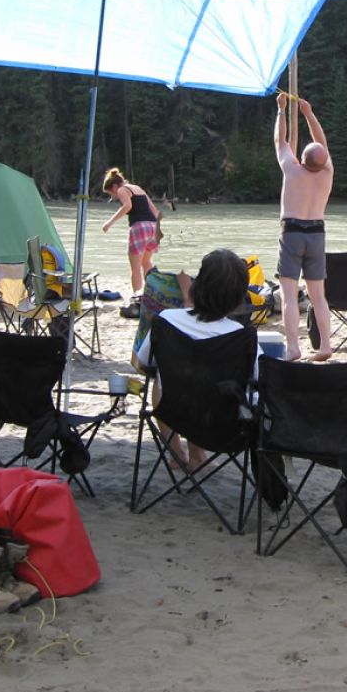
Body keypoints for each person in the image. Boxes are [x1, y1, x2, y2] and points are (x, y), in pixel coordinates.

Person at [135, 249, 250, 469]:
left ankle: (175, 451)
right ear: (238, 297)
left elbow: (144, 361)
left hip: (172, 408)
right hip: (220, 421)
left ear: (199, 284)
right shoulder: (239, 334)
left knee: (161, 378)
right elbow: (254, 377)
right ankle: (198, 454)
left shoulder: (166, 320)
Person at [274, 92, 333, 361]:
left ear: (302, 159)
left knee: (288, 294)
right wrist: (309, 114)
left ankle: (294, 347)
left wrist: (282, 111)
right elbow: (321, 141)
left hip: (293, 232)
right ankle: (325, 346)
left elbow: (280, 140)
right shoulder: (328, 172)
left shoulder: (291, 168)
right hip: (316, 233)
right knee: (317, 296)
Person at [101, 167, 163, 299]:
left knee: (135, 268)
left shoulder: (123, 189)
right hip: (152, 227)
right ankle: (151, 294)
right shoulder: (138, 189)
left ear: (115, 185)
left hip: (139, 227)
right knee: (146, 263)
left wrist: (109, 223)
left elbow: (127, 206)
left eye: (112, 193)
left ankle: (137, 297)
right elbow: (155, 211)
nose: (113, 196)